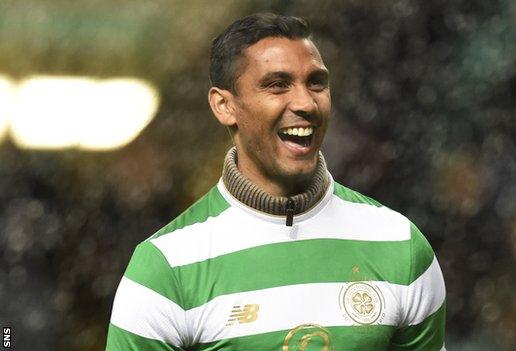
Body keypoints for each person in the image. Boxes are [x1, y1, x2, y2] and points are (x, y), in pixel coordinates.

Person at [105, 13, 446, 350]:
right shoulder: (167, 266)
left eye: (316, 82)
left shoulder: (401, 245)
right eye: (277, 85)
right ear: (224, 106)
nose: (305, 103)